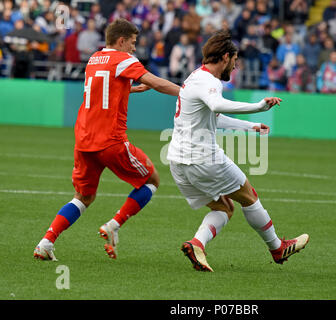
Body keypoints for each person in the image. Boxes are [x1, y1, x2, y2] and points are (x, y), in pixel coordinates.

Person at [33, 19, 180, 261]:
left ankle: (46, 242)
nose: (134, 48)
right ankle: (114, 225)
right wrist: (186, 92)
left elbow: (103, 88)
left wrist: (129, 89)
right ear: (121, 41)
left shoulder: (94, 58)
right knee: (151, 180)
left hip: (84, 139)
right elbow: (155, 82)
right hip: (109, 140)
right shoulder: (124, 60)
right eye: (132, 43)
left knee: (83, 197)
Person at [167, 30, 309, 272]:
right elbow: (216, 104)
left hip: (178, 162)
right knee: (249, 195)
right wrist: (259, 106)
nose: (236, 65)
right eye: (234, 60)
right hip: (203, 157)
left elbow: (214, 116)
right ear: (225, 57)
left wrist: (249, 126)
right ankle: (277, 248)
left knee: (224, 208)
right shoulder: (209, 82)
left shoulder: (194, 78)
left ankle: (196, 244)